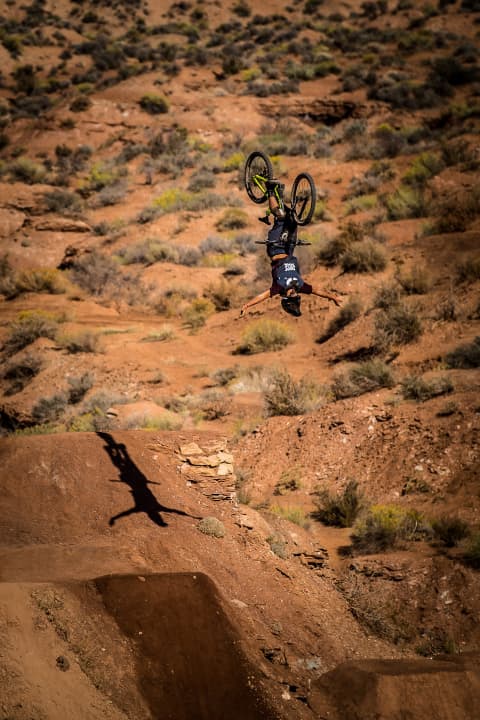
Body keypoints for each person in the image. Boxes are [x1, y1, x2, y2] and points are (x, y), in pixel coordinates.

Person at [240, 179, 341, 317]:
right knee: (294, 220)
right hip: (289, 248)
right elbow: (317, 291)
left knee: (281, 217)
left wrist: (247, 305)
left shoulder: (278, 288)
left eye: (292, 297)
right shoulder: (300, 286)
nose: (295, 294)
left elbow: (262, 296)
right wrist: (333, 297)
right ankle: (279, 194)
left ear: (286, 298)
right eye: (296, 296)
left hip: (275, 248)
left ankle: (270, 190)